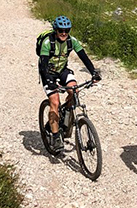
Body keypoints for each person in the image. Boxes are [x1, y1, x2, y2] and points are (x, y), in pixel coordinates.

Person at [38, 15, 101, 153]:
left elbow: (83, 56)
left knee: (74, 91)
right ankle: (55, 137)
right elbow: (43, 66)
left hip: (62, 70)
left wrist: (93, 72)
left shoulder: (71, 41)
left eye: (67, 30)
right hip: (48, 73)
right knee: (54, 101)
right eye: (61, 30)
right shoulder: (48, 43)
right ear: (56, 30)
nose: (64, 33)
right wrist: (49, 81)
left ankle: (66, 112)